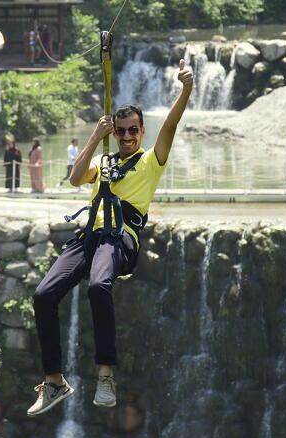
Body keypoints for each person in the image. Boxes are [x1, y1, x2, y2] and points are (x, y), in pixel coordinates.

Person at [27, 59, 194, 417]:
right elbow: (74, 179)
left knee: (98, 287)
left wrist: (186, 89)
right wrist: (94, 137)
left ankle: (105, 374)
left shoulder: (152, 161)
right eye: (121, 132)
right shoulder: (104, 162)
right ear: (115, 133)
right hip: (88, 237)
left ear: (142, 131)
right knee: (43, 295)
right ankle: (54, 381)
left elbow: (172, 124)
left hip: (118, 240)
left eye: (133, 130)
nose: (128, 137)